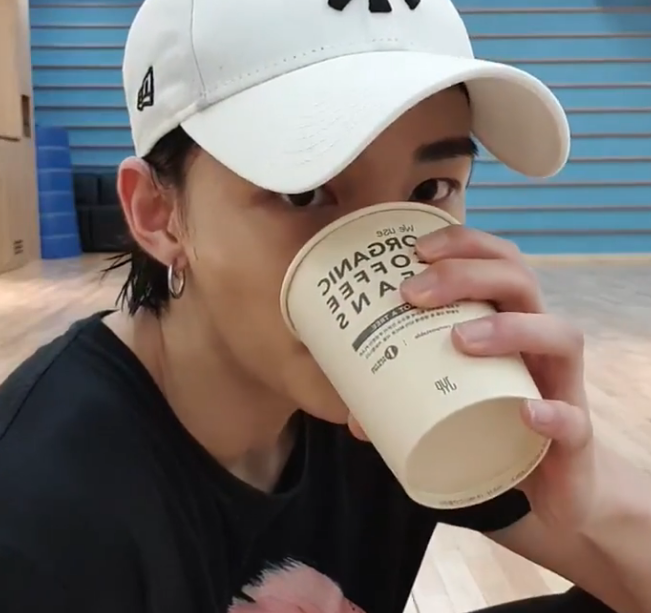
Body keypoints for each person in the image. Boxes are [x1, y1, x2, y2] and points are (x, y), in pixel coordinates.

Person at [0, 0, 649, 611]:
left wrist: (586, 498)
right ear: (157, 213)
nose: (392, 273)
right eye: (304, 193)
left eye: (430, 188)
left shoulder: (400, 397)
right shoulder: (39, 511)